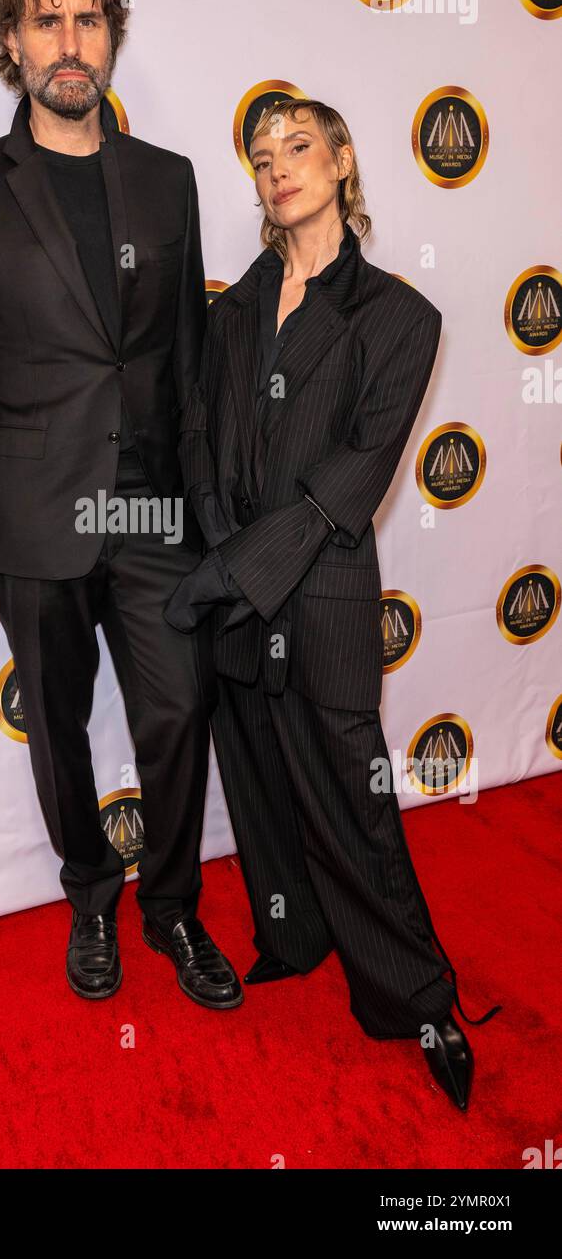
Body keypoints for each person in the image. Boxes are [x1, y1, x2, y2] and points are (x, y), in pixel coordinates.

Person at [0, 0, 241, 1011]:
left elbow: (186, 366)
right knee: (56, 729)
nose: (69, 40)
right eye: (45, 18)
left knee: (177, 712)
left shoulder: (168, 180)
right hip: (27, 518)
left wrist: (210, 524)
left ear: (110, 37)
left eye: (87, 18)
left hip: (152, 516)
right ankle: (89, 894)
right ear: (12, 41)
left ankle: (172, 908)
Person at [165, 98, 500, 1106]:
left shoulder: (399, 316)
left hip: (317, 592)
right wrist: (218, 549)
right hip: (230, 580)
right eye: (261, 157)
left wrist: (229, 573)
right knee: (260, 782)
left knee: (353, 806)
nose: (278, 169)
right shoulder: (228, 310)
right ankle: (291, 934)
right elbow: (194, 436)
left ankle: (414, 995)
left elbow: (350, 479)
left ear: (342, 161)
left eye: (298, 147)